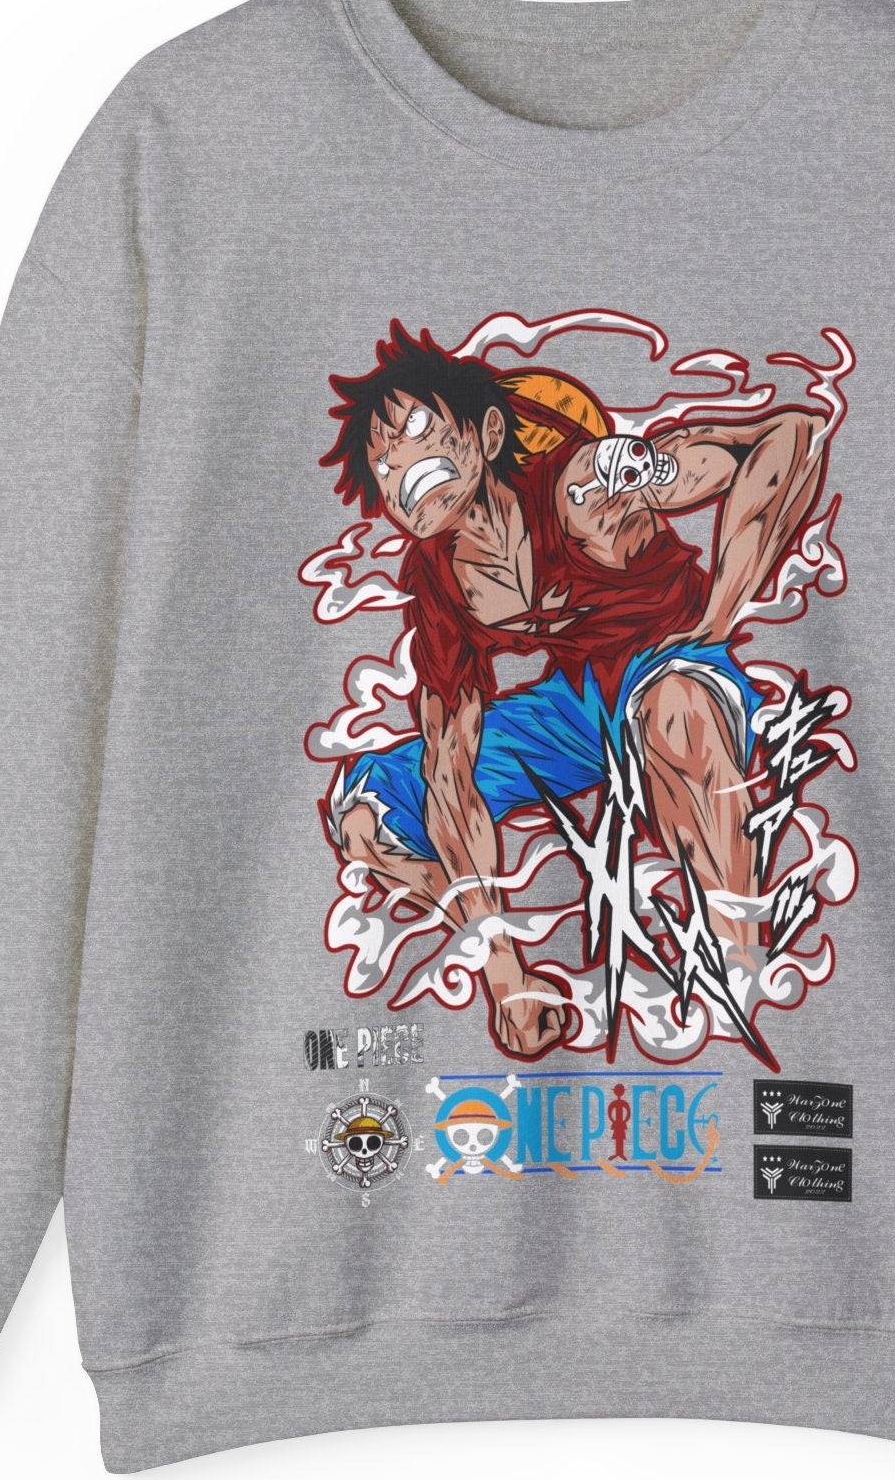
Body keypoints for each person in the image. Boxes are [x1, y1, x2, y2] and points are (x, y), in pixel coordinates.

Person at [320, 321, 825, 1057]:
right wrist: (504, 974)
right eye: (385, 465)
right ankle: (520, 966)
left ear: (489, 433)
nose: (406, 467)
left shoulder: (585, 488)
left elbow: (791, 436)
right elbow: (451, 775)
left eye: (420, 432)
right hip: (577, 707)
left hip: (671, 672)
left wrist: (721, 610)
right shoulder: (436, 582)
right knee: (365, 814)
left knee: (674, 713)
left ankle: (739, 957)